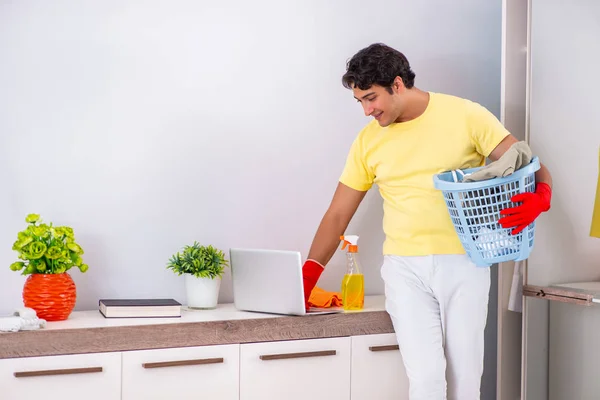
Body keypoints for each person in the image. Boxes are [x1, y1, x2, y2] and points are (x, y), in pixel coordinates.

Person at [301, 43, 552, 400]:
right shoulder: (368, 141)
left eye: (371, 98)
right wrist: (309, 273)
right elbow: (338, 213)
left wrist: (542, 197)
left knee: (466, 379)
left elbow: (533, 166)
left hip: (465, 263)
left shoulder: (466, 115)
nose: (367, 110)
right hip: (405, 269)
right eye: (360, 101)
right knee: (427, 379)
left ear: (398, 84)